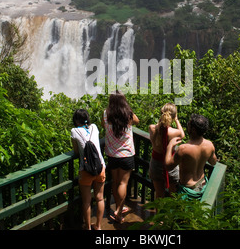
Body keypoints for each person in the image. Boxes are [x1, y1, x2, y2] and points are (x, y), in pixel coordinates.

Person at [102, 90, 139, 223]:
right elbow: (137, 121)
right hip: (126, 154)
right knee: (123, 183)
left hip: (112, 154)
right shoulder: (128, 114)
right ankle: (119, 210)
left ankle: (118, 208)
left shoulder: (106, 114)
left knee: (115, 182)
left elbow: (103, 125)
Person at [164, 114, 217, 200]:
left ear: (193, 129)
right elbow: (213, 162)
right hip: (202, 184)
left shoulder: (183, 149)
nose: (187, 124)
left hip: (187, 189)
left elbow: (168, 166)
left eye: (189, 123)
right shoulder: (209, 145)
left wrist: (169, 146)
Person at [71, 109, 106, 230]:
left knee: (86, 201)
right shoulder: (95, 127)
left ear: (76, 120)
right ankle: (99, 226)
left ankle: (88, 228)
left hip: (85, 169)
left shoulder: (74, 131)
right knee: (100, 198)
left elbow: (76, 151)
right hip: (100, 167)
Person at [148, 103, 185, 199]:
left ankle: (158, 213)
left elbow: (159, 127)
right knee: (173, 194)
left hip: (155, 163)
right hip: (170, 164)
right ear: (173, 116)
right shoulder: (174, 132)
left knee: (159, 194)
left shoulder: (152, 128)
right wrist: (176, 120)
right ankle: (170, 214)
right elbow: (182, 134)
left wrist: (161, 121)